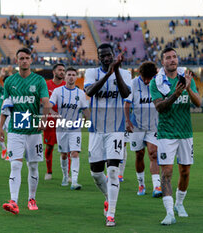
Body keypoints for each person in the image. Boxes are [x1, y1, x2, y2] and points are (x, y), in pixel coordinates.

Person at [150, 47, 201, 225]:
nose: (172, 60)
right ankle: (169, 212)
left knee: (185, 172)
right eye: (168, 58)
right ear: (162, 62)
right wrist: (175, 94)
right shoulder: (156, 82)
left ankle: (179, 204)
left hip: (186, 132)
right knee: (167, 172)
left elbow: (198, 103)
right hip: (166, 133)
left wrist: (188, 89)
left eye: (174, 57)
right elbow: (159, 107)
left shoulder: (186, 78)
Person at [0, 48, 50, 215]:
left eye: (27, 58)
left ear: (31, 60)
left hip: (34, 131)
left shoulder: (39, 80)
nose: (24, 61)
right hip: (15, 130)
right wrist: (0, 127)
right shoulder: (10, 81)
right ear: (17, 60)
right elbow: (6, 106)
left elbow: (46, 102)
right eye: (21, 58)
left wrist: (44, 118)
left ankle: (31, 198)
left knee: (33, 166)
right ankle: (13, 201)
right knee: (15, 164)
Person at [84, 43, 131, 227]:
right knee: (96, 173)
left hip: (116, 130)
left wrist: (117, 72)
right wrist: (108, 74)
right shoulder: (91, 73)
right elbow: (89, 91)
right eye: (102, 55)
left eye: (108, 54)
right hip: (96, 129)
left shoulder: (125, 73)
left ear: (113, 55)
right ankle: (108, 196)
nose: (106, 57)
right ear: (98, 58)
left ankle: (111, 213)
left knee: (112, 171)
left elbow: (126, 93)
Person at [124, 61, 161, 197]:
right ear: (141, 75)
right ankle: (141, 184)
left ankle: (157, 186)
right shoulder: (133, 84)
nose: (147, 81)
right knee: (139, 154)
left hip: (153, 126)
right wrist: (127, 121)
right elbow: (127, 104)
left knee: (153, 153)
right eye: (145, 78)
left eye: (150, 78)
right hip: (137, 126)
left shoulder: (158, 82)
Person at [49, 67, 90, 189]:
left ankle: (75, 181)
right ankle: (65, 176)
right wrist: (52, 112)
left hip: (75, 129)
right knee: (63, 154)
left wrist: (91, 122)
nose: (71, 77)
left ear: (76, 77)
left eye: (73, 74)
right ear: (65, 77)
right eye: (69, 74)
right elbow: (49, 105)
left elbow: (85, 110)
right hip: (61, 128)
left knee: (75, 153)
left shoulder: (81, 94)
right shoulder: (57, 91)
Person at [43, 63, 66, 180]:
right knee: (49, 146)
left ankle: (67, 175)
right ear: (54, 72)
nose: (62, 72)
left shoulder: (66, 85)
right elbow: (43, 102)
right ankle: (49, 171)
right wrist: (52, 112)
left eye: (63, 70)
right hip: (50, 121)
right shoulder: (46, 85)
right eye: (60, 70)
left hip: (63, 122)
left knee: (66, 149)